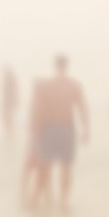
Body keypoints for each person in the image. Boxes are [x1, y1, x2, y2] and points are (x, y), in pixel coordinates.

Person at [27, 55, 90, 208]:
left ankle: (36, 200)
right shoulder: (74, 85)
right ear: (67, 65)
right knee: (65, 166)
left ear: (54, 66)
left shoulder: (45, 86)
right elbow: (82, 108)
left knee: (45, 167)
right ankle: (63, 201)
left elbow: (37, 111)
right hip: (67, 129)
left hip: (48, 130)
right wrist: (86, 129)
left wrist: (33, 135)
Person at [1, 66, 19, 142]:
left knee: (8, 118)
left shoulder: (10, 79)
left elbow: (14, 91)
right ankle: (9, 134)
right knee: (7, 118)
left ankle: (9, 134)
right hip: (7, 101)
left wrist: (16, 101)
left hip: (8, 102)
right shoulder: (9, 79)